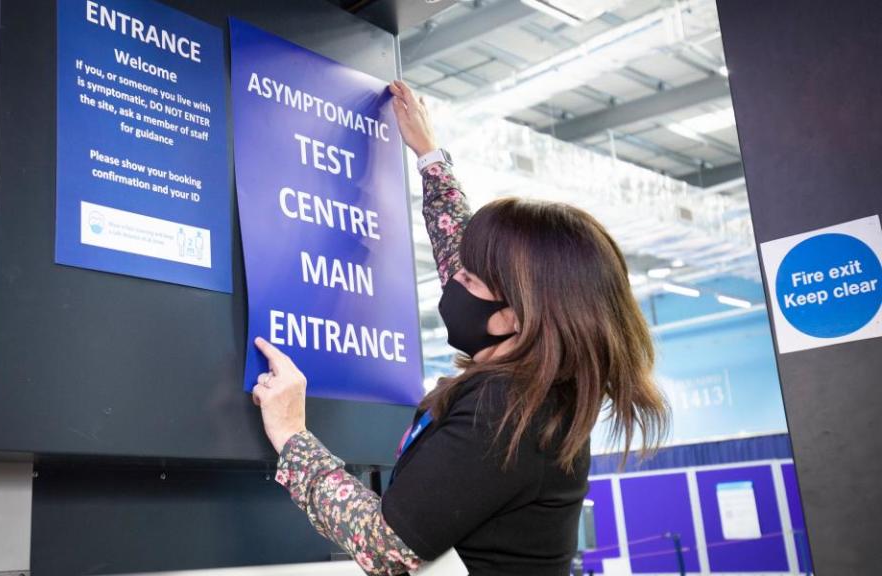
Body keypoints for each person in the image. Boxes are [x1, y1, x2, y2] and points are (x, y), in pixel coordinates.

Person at [250, 80, 670, 576]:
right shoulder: (540, 391)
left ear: (516, 317)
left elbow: (384, 545)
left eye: (469, 277)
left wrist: (292, 433)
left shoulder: (506, 410)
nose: (454, 280)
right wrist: (430, 158)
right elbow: (462, 253)